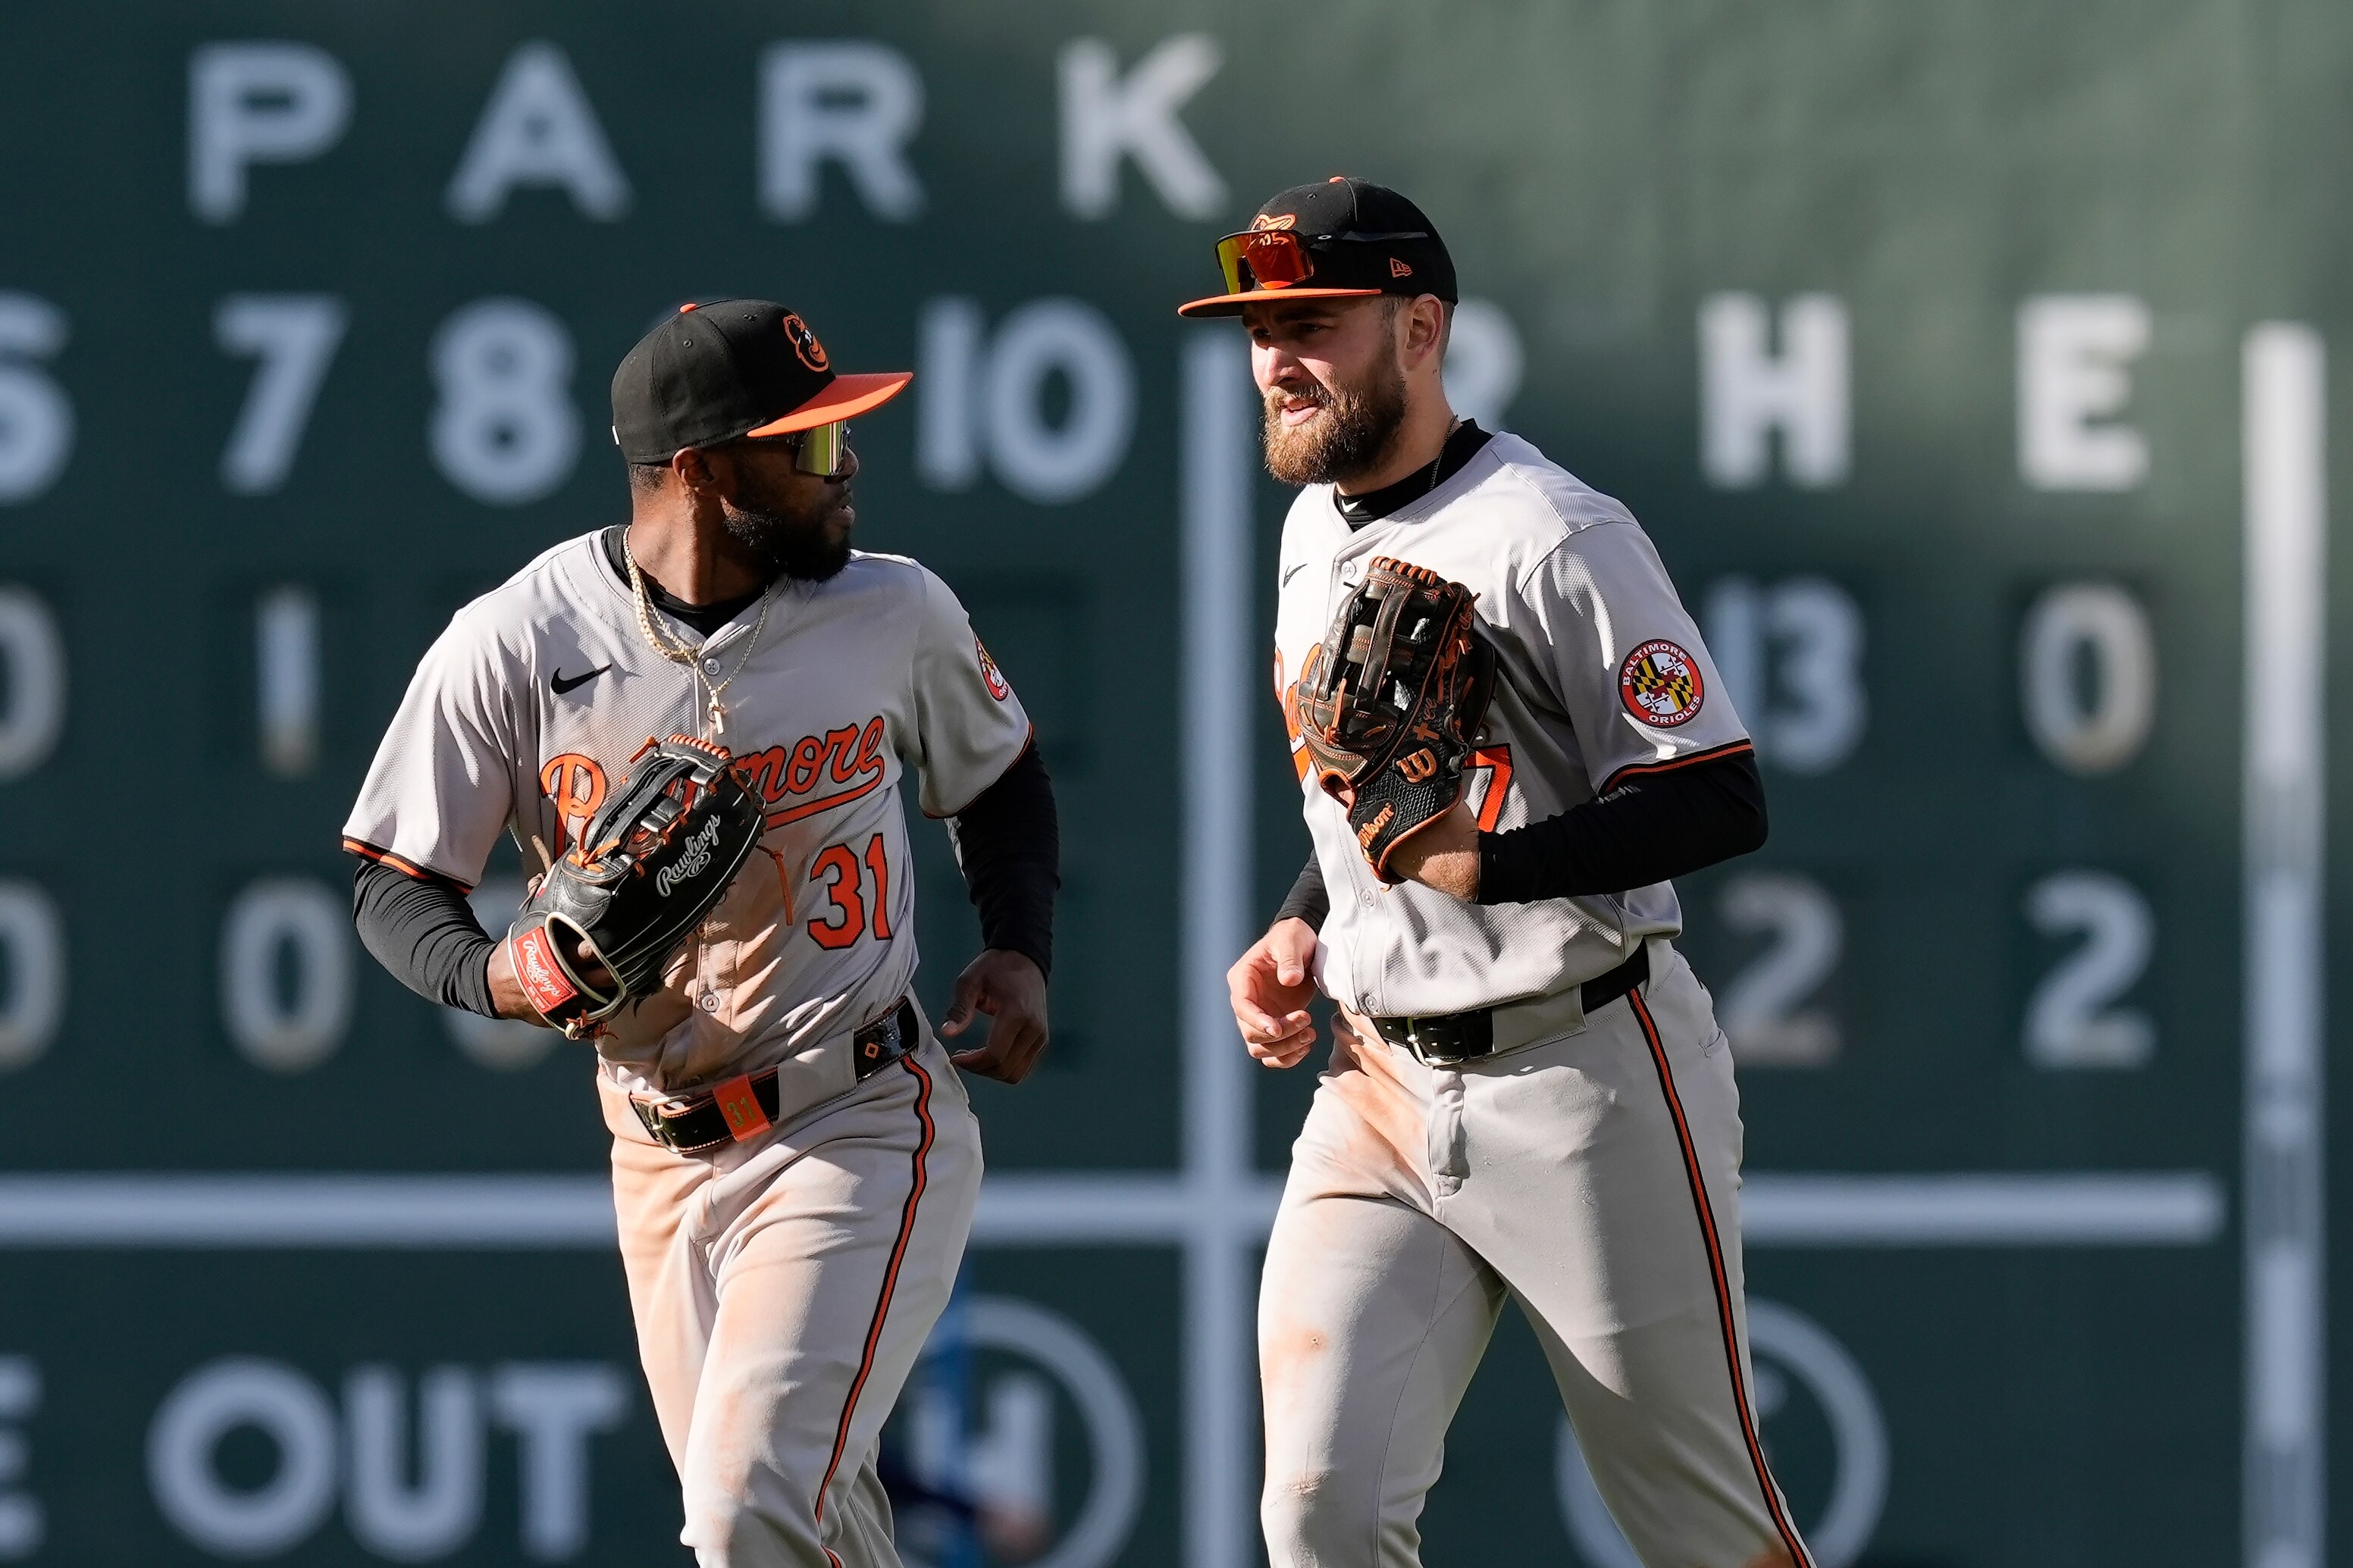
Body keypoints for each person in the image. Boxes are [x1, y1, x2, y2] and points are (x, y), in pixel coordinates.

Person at [342, 299, 1057, 1568]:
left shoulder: (894, 611)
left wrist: (1017, 944)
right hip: (659, 1149)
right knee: (815, 1529)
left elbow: (998, 774)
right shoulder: (520, 641)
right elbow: (394, 883)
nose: (850, 470)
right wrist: (496, 973)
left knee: (742, 1514)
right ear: (703, 470)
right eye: (816, 446)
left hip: (859, 1112)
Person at [1185, 180, 1811, 1568]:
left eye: (1316, 322)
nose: (1279, 357)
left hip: (1582, 1076)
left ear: (1420, 327)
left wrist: (1497, 866)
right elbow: (1368, 800)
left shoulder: (1553, 532)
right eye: (1259, 327)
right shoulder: (1313, 527)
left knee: (1706, 1532)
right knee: (1319, 1512)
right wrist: (1301, 922)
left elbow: (1719, 792)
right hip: (1378, 1092)